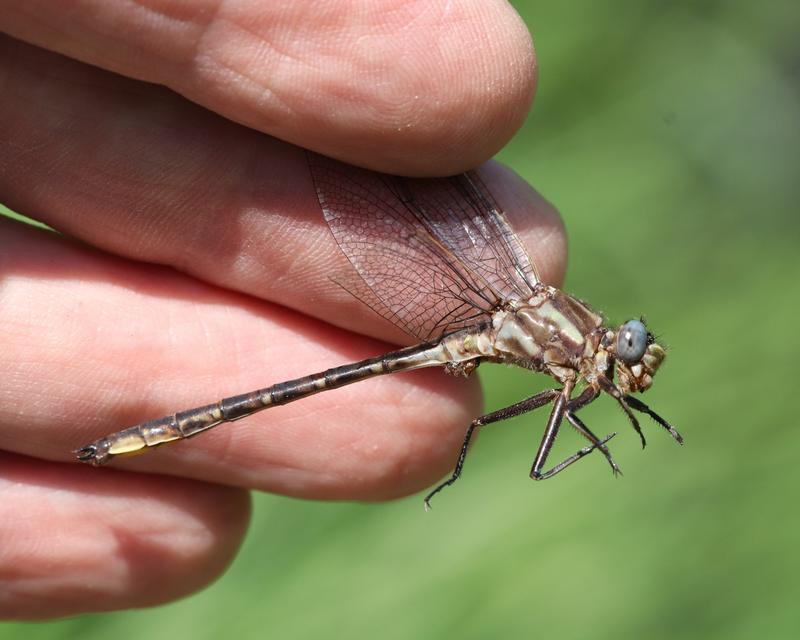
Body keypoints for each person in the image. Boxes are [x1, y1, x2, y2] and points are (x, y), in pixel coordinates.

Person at [0, 0, 565, 618]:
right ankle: (125, 442)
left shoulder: (566, 350)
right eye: (628, 346)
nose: (628, 356)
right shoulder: (556, 331)